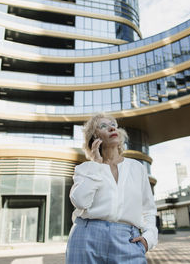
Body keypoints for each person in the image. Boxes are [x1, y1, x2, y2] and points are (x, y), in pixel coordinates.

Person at [66, 113, 158, 264]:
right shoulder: (85, 168)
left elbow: (148, 209)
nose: (111, 128)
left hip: (128, 239)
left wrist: (149, 239)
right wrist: (96, 165)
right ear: (95, 136)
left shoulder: (137, 168)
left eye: (113, 125)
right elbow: (80, 202)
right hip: (86, 237)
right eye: (103, 126)